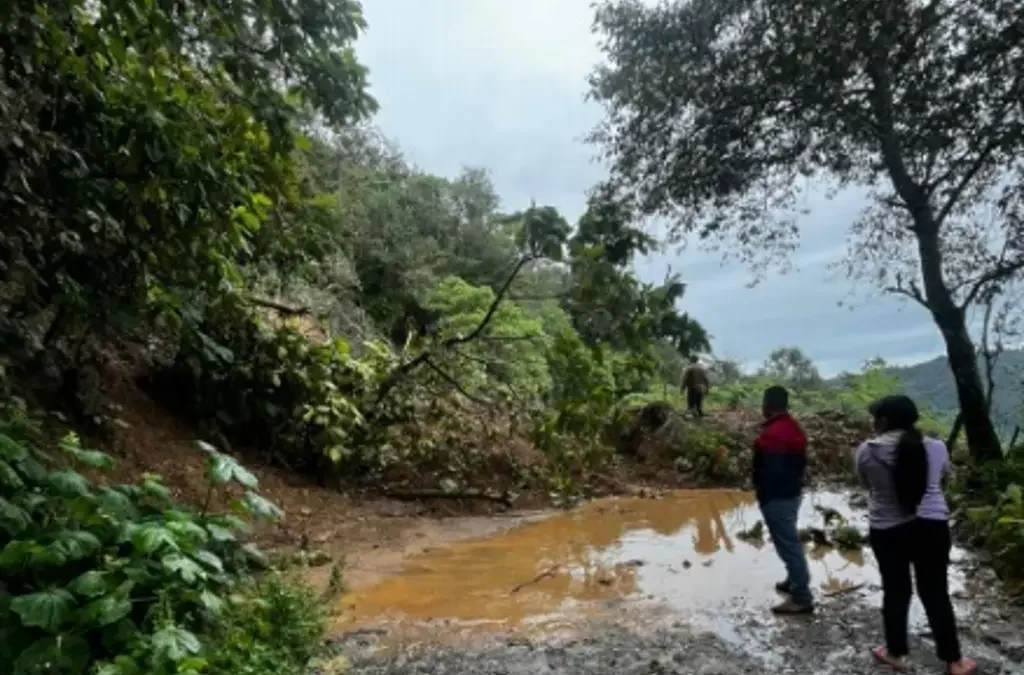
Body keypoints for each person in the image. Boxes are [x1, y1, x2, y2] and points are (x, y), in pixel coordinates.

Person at [855, 395, 976, 675]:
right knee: (935, 592)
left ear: (883, 421)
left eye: (875, 418)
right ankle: (954, 662)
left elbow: (866, 486)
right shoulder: (937, 448)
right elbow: (942, 482)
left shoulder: (867, 451)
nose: (873, 423)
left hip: (887, 529)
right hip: (932, 526)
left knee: (896, 591)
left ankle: (895, 653)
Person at [753, 385, 813, 614]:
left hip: (777, 496)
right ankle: (793, 580)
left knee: (788, 545)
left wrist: (764, 495)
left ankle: (801, 596)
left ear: (768, 405)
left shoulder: (774, 434)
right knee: (788, 540)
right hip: (791, 493)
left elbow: (771, 471)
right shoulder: (791, 427)